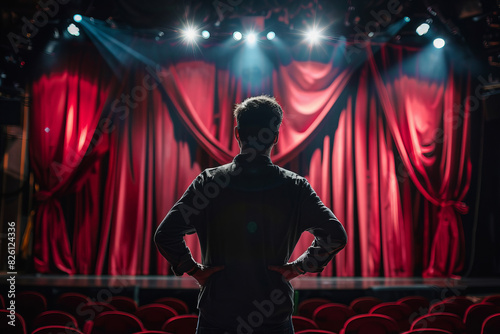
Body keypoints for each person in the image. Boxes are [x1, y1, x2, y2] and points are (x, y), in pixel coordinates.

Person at [154, 95, 347, 334]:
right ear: (274, 137)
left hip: (218, 315)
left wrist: (193, 269)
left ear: (237, 133)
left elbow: (165, 234)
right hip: (272, 317)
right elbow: (335, 235)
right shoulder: (295, 187)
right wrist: (298, 267)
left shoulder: (208, 183)